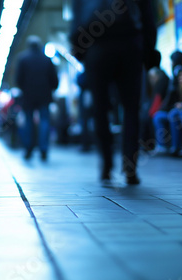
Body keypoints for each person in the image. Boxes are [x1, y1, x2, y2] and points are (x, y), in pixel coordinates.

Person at [70, 0, 157, 185]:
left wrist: (81, 51)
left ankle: (106, 165)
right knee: (131, 108)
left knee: (100, 109)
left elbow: (77, 19)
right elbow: (148, 15)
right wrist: (148, 49)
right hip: (130, 44)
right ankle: (130, 166)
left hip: (97, 47)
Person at [15, 35, 59, 161]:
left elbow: (18, 79)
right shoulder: (46, 59)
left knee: (28, 121)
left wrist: (24, 88)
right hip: (44, 95)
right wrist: (51, 88)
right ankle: (43, 149)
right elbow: (54, 80)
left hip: (28, 96)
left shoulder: (23, 59)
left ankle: (28, 149)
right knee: (44, 121)